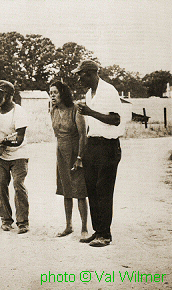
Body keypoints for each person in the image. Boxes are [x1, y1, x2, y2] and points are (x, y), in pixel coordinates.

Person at [73, 60, 123, 247]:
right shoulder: (89, 93)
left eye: (80, 74)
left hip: (108, 146)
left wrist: (90, 112)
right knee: (92, 190)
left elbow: (115, 119)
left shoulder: (108, 91)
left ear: (90, 73)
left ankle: (106, 234)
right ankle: (98, 231)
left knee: (104, 190)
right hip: (92, 145)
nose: (78, 78)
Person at [0, 80, 30, 234]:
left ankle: (23, 222)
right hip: (0, 154)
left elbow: (19, 138)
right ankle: (6, 220)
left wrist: (4, 141)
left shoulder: (19, 112)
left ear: (8, 96)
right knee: (0, 185)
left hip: (18, 154)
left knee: (18, 185)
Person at [49, 81, 88, 239]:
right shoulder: (53, 110)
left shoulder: (76, 109)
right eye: (50, 92)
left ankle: (84, 228)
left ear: (63, 93)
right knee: (66, 190)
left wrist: (79, 158)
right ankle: (68, 225)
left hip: (75, 153)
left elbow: (83, 135)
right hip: (61, 153)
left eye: (55, 92)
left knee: (79, 191)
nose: (52, 95)